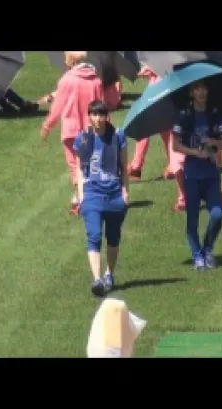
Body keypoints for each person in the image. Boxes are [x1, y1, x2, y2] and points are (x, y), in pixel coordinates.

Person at [73, 100, 129, 297]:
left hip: (114, 194)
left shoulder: (118, 136)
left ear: (107, 116)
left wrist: (125, 192)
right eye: (94, 114)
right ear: (89, 116)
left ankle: (109, 274)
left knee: (113, 238)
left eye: (101, 114)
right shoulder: (83, 139)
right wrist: (80, 195)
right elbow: (79, 169)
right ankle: (96, 279)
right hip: (92, 194)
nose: (97, 119)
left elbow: (124, 168)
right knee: (94, 235)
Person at [172, 80, 222, 270]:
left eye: (203, 87)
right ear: (191, 93)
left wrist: (210, 141)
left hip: (211, 174)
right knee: (192, 217)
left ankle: (208, 248)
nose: (201, 92)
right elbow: (175, 145)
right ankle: (197, 255)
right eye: (196, 88)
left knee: (218, 214)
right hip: (192, 174)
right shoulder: (184, 115)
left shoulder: (215, 113)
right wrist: (196, 152)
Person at [40, 51, 106, 215]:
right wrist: (107, 128)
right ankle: (87, 197)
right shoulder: (96, 80)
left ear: (70, 61)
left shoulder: (66, 81)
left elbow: (57, 107)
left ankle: (80, 199)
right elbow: (102, 107)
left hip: (71, 130)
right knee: (90, 164)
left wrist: (47, 125)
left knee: (74, 166)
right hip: (92, 129)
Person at [128, 64, 186, 211]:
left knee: (149, 127)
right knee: (167, 134)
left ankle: (137, 165)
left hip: (161, 93)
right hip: (165, 92)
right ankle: (172, 167)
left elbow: (160, 65)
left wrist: (150, 70)